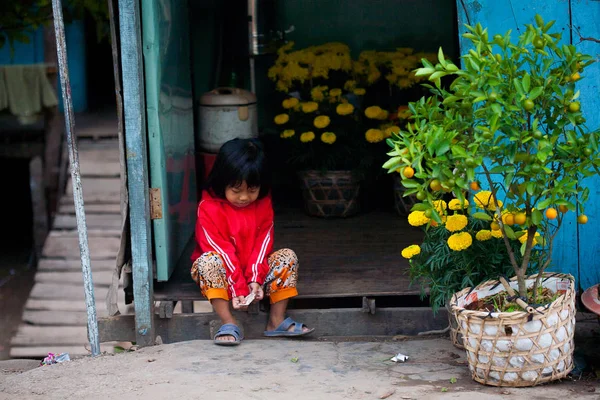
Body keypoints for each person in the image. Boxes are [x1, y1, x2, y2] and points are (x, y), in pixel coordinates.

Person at [191, 138, 314, 345]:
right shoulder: (208, 208)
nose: (244, 197)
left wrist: (255, 279)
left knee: (287, 256)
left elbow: (263, 244)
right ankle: (229, 322)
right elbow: (222, 252)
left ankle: (276, 320)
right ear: (222, 182)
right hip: (223, 274)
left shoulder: (263, 204)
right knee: (207, 262)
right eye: (236, 190)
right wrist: (239, 289)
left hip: (255, 273)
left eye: (252, 190)